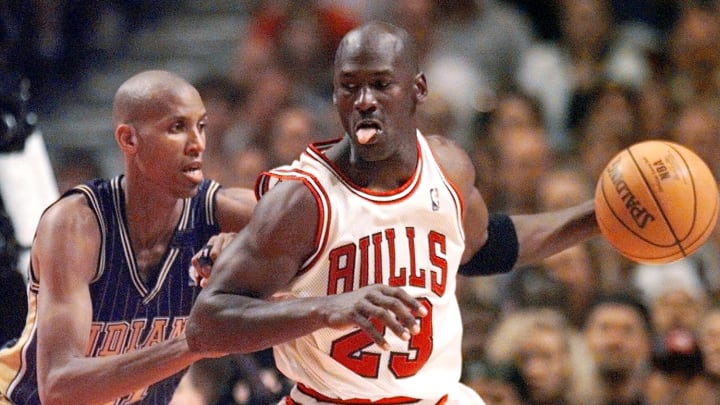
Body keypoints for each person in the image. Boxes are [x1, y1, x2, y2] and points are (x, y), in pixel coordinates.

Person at [186, 21, 598, 404]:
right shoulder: (304, 199)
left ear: (418, 88)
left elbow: (486, 245)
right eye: (349, 87)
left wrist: (596, 218)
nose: (365, 101)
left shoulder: (448, 167)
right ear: (335, 95)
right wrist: (327, 308)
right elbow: (208, 323)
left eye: (382, 85)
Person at [0, 70, 257, 404]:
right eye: (177, 127)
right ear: (129, 139)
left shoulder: (221, 210)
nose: (198, 143)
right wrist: (194, 343)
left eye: (202, 126)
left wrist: (247, 248)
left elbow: (318, 217)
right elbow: (59, 389)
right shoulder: (78, 223)